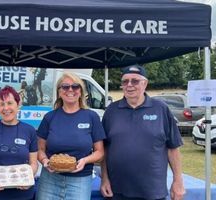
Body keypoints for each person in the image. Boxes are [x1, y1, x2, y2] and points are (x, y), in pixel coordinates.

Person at [100, 65, 185, 200]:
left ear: (145, 84)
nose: (129, 85)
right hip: (117, 190)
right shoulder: (111, 111)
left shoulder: (161, 109)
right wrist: (104, 178)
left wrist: (178, 181)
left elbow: (173, 147)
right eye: (125, 81)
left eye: (135, 81)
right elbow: (103, 148)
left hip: (152, 191)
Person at [36, 72, 106, 200]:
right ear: (59, 91)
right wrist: (45, 161)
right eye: (65, 86)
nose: (70, 90)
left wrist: (84, 161)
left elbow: (100, 152)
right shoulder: (49, 117)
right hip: (50, 180)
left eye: (75, 86)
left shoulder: (91, 117)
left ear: (81, 91)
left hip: (80, 181)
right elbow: (40, 149)